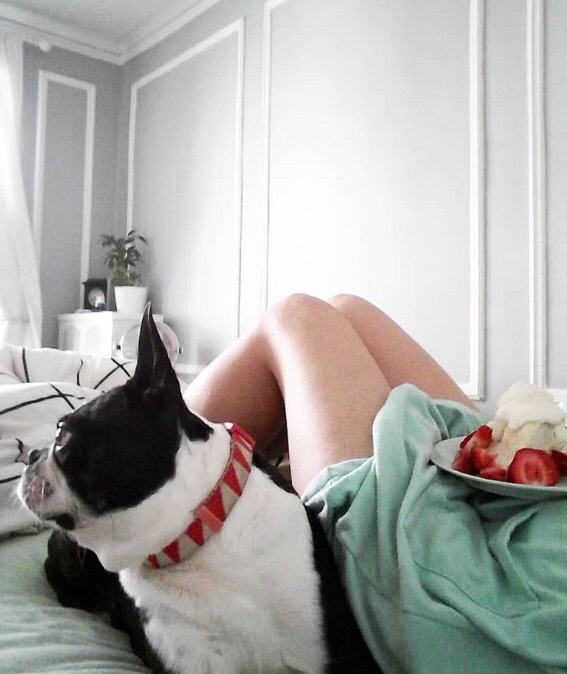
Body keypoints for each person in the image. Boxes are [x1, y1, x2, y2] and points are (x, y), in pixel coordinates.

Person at [183, 294, 567, 674]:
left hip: (501, 586)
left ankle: (155, 475)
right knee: (347, 309)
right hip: (538, 517)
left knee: (296, 316)